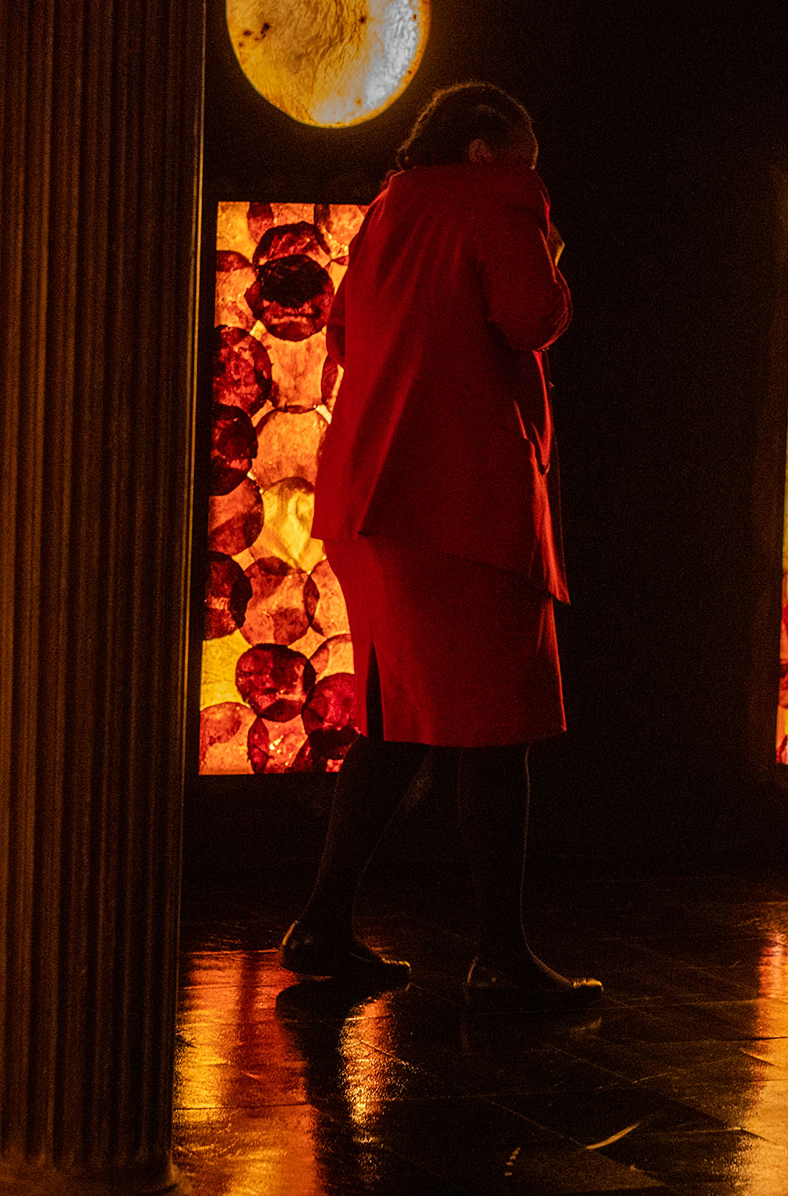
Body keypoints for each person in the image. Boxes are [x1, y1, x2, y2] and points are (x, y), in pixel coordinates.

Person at [280, 82, 601, 1009]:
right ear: (483, 148)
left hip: (370, 496)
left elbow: (342, 334)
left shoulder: (386, 211)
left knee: (397, 724)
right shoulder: (501, 198)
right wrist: (550, 251)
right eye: (526, 151)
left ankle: (323, 922)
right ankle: (501, 957)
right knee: (498, 728)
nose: (537, 172)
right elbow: (531, 318)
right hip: (458, 502)